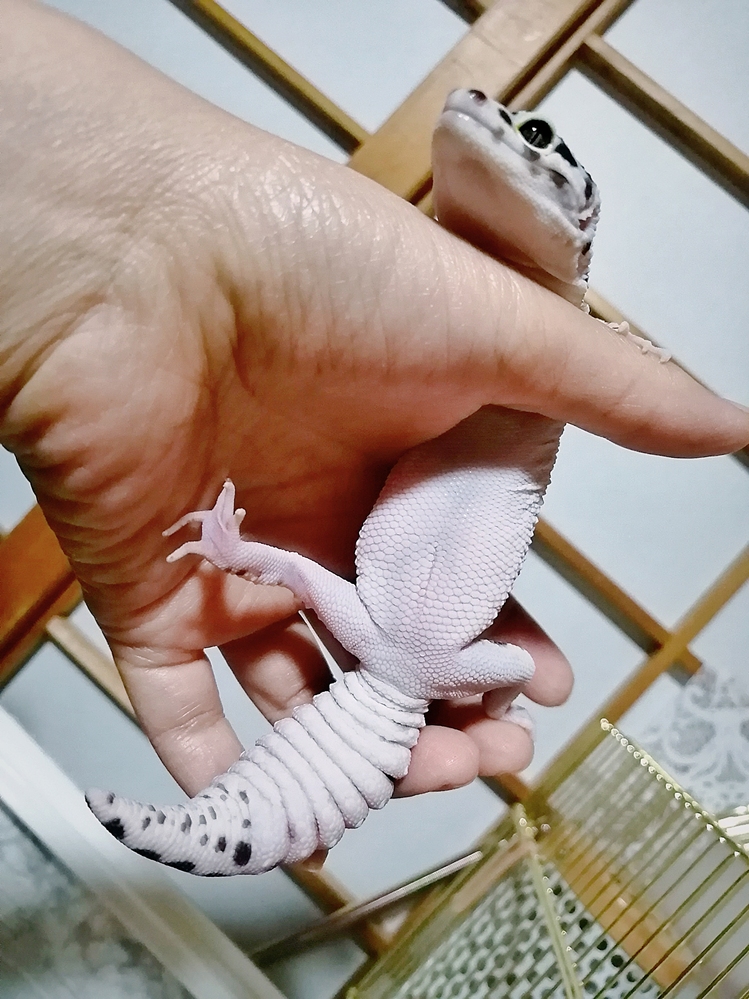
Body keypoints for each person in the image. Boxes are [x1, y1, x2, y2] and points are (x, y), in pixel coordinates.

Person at [1, 0, 747, 804]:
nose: (478, 110)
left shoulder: (574, 331)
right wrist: (132, 261)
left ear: (584, 217)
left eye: (530, 134)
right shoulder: (407, 303)